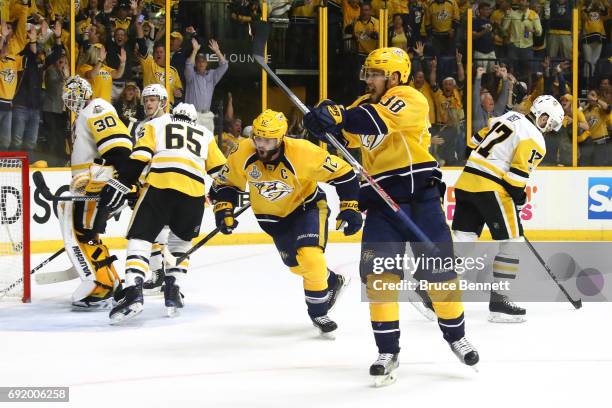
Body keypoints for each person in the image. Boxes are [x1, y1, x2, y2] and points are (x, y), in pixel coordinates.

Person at [303, 47, 479, 386]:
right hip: (383, 205)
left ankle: (456, 336)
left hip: (421, 200)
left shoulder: (409, 97)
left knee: (440, 274)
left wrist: (337, 115)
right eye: (367, 74)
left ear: (395, 76)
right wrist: (320, 124)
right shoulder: (362, 105)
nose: (368, 79)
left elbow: (367, 120)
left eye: (375, 74)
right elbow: (345, 134)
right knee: (379, 279)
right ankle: (388, 351)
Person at [211, 109, 361, 337]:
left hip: (306, 208)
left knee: (311, 258)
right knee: (296, 266)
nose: (261, 145)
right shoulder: (243, 152)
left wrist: (350, 206)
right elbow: (225, 184)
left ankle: (318, 313)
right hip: (271, 219)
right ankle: (331, 280)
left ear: (280, 139)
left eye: (268, 140)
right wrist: (224, 209)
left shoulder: (303, 152)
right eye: (258, 138)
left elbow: (345, 174)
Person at [102, 103, 226, 323]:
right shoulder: (205, 134)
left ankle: (133, 292)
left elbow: (140, 158)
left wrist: (122, 183)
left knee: (140, 238)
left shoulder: (157, 124)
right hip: (193, 195)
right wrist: (229, 199)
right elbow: (221, 173)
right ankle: (173, 289)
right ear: (194, 121)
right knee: (180, 243)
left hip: (160, 186)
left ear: (173, 115)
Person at [452, 95, 564, 322]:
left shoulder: (507, 117)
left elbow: (471, 146)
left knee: (462, 240)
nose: (548, 128)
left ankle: (433, 294)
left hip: (466, 183)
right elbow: (515, 181)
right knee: (512, 242)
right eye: (549, 123)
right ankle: (499, 301)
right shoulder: (534, 138)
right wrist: (520, 199)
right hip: (491, 189)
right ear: (542, 116)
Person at [60, 75, 132, 309]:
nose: (71, 100)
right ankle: (109, 281)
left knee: (82, 234)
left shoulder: (96, 108)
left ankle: (99, 288)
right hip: (87, 183)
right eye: (68, 96)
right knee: (89, 234)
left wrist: (119, 182)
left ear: (86, 92)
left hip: (94, 184)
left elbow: (119, 147)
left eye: (75, 94)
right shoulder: (84, 114)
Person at [184, 37, 228, 133]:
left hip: (207, 116)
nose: (201, 63)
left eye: (203, 61)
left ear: (206, 63)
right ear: (195, 63)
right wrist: (195, 50)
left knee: (207, 144)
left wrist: (217, 51)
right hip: (192, 115)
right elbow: (188, 65)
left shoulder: (212, 75)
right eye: (198, 61)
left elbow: (224, 66)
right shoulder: (191, 76)